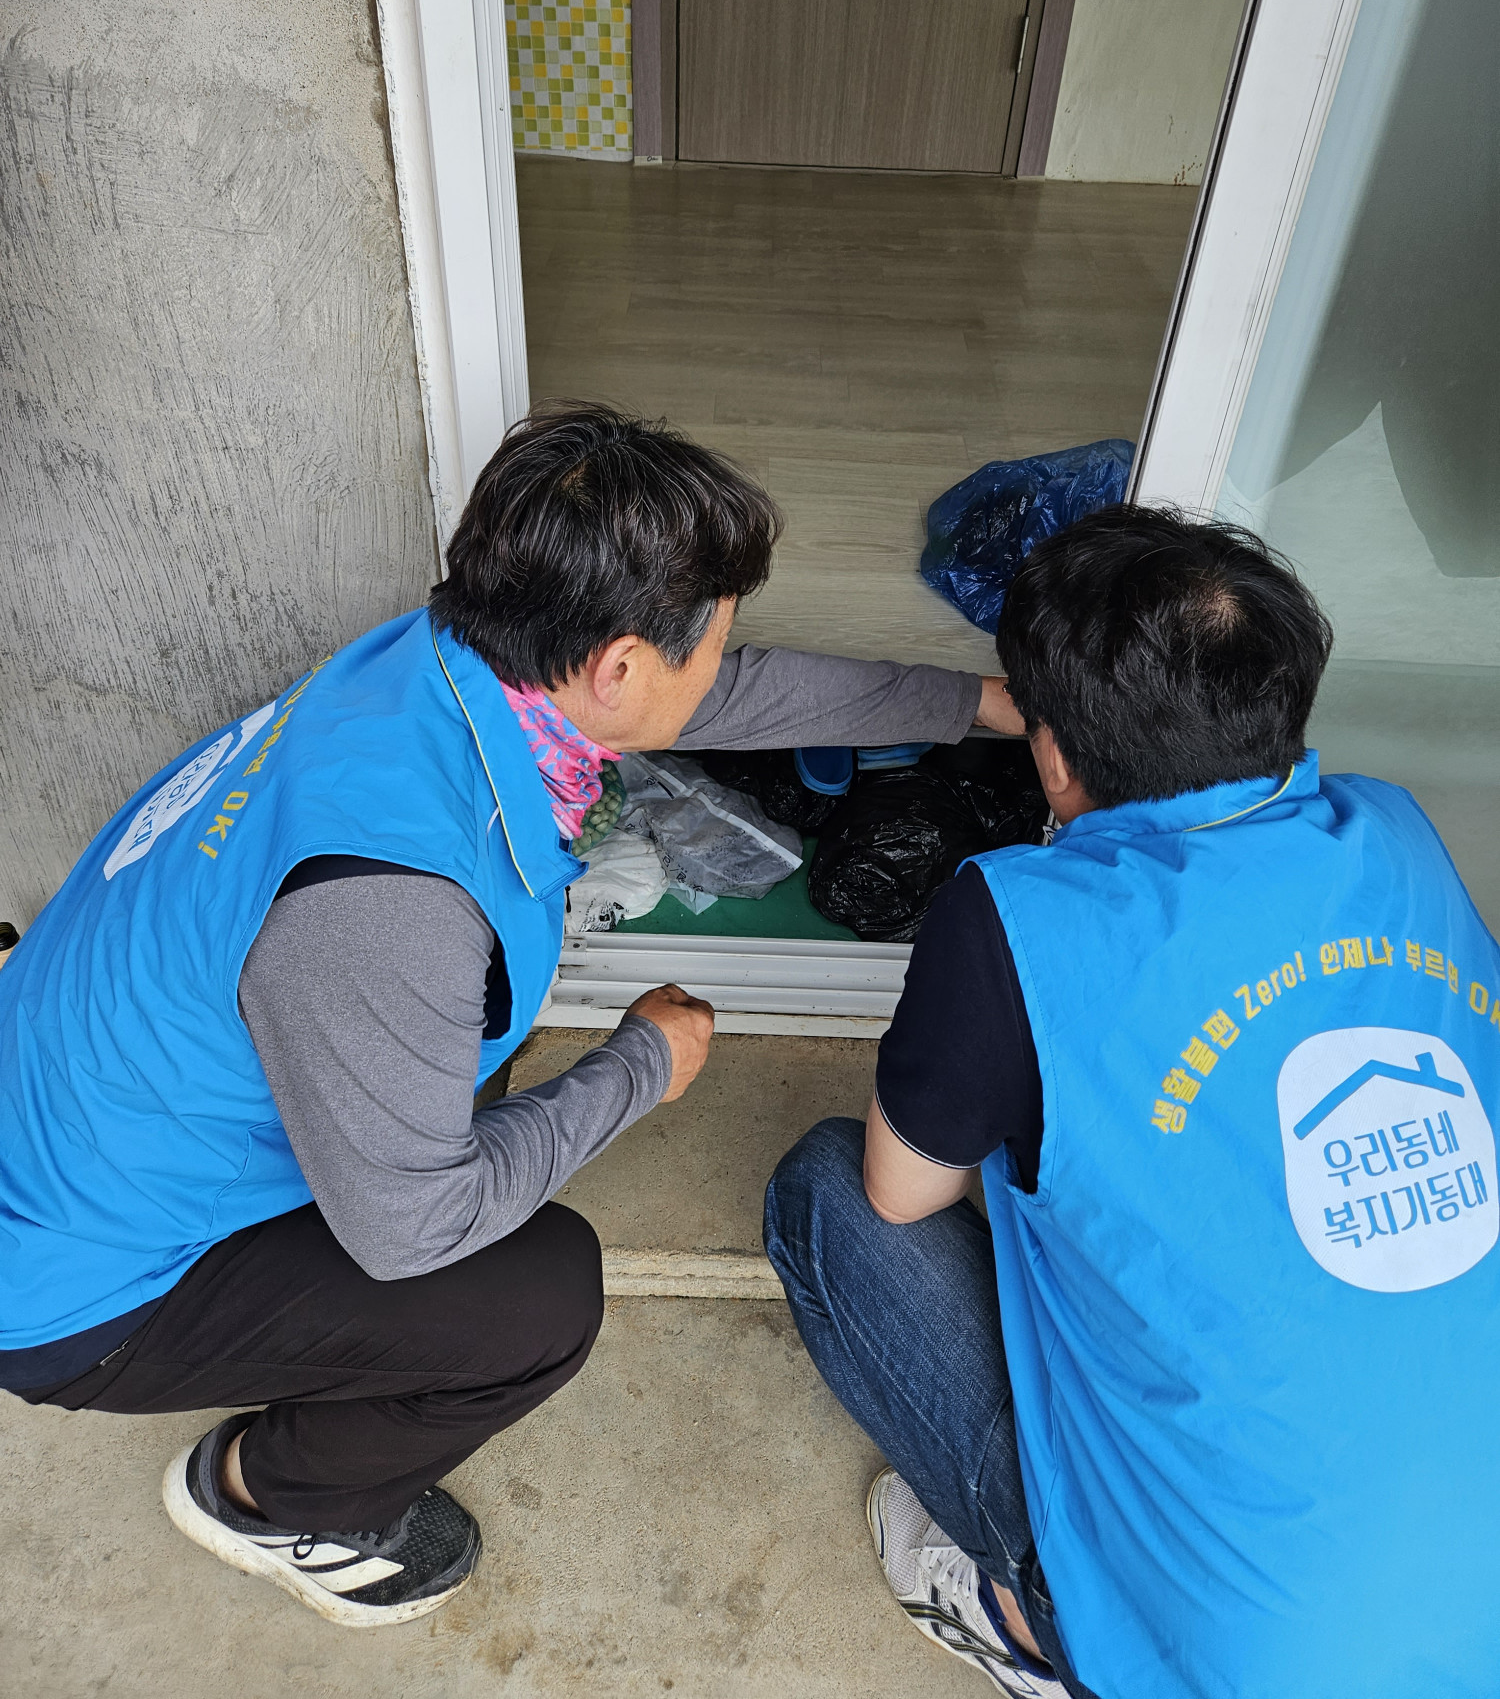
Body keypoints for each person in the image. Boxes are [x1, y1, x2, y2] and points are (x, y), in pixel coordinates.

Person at [0, 404, 1021, 1627]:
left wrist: (985, 705)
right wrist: (640, 1064)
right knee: (534, 1298)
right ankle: (268, 1496)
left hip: (81, 1099)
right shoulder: (395, 909)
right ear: (619, 668)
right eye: (710, 645)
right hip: (76, 1280)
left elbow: (736, 696)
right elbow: (412, 1227)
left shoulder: (442, 661)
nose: (725, 669)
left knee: (457, 1096)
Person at [765, 505, 1500, 1699]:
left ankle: (1030, 1611)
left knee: (824, 1194)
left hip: (1225, 1663)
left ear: (1053, 757)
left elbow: (901, 1192)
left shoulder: (1017, 918)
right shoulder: (1395, 831)